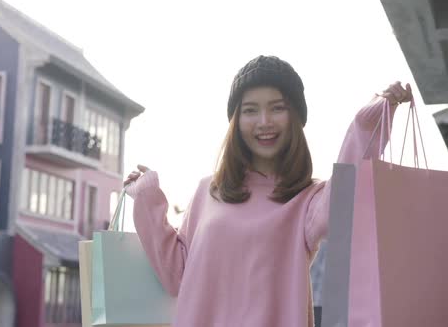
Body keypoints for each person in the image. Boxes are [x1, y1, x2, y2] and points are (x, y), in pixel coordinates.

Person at [123, 55, 412, 327]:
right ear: (236, 121)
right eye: (250, 110)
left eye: (277, 107)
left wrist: (371, 120)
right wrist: (147, 197)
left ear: (295, 117)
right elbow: (176, 276)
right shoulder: (208, 191)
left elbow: (347, 188)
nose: (264, 122)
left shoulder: (308, 199)